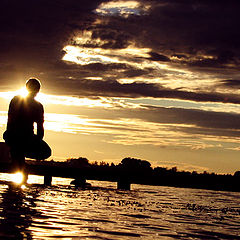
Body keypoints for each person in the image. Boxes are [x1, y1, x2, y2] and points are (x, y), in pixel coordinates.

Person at [3, 78, 51, 172]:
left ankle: (18, 154)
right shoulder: (36, 105)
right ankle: (18, 155)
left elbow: (10, 120)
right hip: (19, 137)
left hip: (23, 138)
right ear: (38, 91)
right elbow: (40, 130)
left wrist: (35, 141)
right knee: (16, 143)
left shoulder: (17, 100)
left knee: (46, 151)